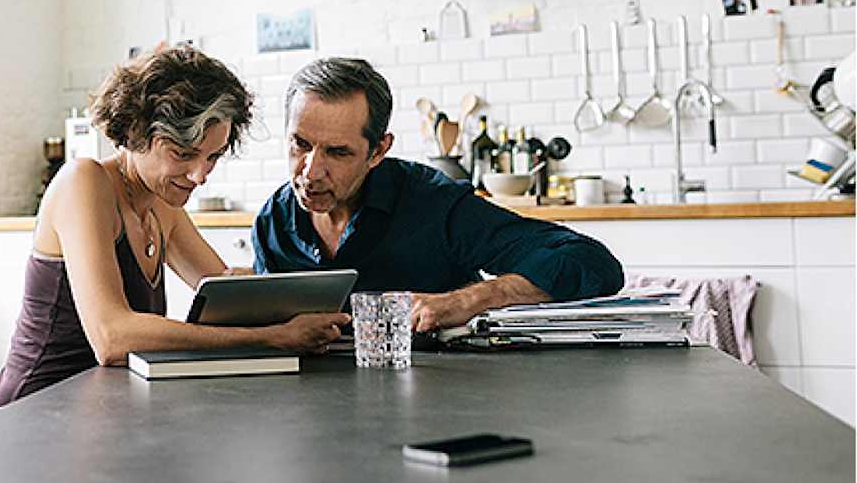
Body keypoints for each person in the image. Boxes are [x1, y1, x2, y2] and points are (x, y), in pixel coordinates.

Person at [0, 47, 350, 409]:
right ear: (135, 131)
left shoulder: (162, 204)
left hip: (102, 410)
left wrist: (289, 299)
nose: (200, 175)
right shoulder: (83, 182)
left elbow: (225, 296)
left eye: (212, 156)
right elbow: (112, 338)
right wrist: (270, 337)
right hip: (34, 411)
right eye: (182, 154)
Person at [251, 57, 623, 333]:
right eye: (300, 144)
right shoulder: (273, 222)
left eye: (338, 152)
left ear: (378, 151)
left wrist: (468, 300)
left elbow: (594, 263)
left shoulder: (433, 205)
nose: (311, 172)